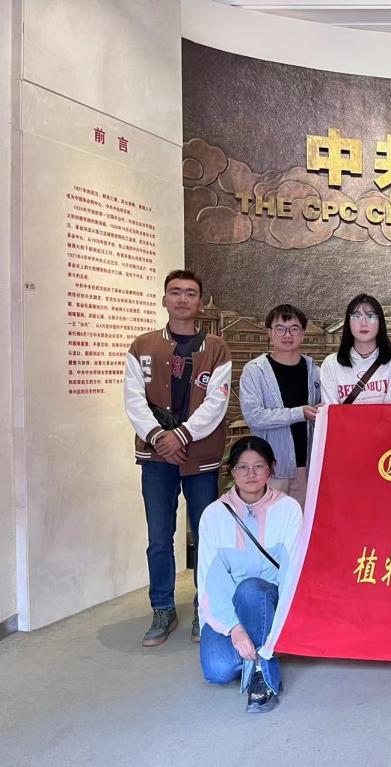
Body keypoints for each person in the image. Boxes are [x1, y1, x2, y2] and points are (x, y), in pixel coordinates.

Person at [124, 269, 231, 647]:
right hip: (156, 457)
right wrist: (159, 438)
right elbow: (133, 399)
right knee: (159, 536)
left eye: (190, 293)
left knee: (206, 535)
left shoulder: (216, 348)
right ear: (164, 299)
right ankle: (162, 608)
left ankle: (206, 607)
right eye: (175, 292)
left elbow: (216, 402)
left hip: (201, 455)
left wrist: (181, 435)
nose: (182, 299)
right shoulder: (142, 346)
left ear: (199, 302)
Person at [197, 436, 301, 714]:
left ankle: (263, 674)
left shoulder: (288, 509)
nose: (251, 474)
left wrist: (281, 624)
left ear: (271, 468)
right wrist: (234, 628)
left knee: (252, 589)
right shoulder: (214, 515)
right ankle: (259, 644)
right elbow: (209, 580)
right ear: (232, 471)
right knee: (217, 671)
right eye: (242, 467)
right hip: (230, 608)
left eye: (259, 466)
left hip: (270, 602)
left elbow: (291, 573)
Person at [239, 304, 321, 508]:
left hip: (308, 467)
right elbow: (254, 416)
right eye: (280, 329)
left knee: (303, 523)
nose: (287, 335)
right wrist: (299, 413)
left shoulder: (315, 371)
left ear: (303, 333)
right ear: (269, 332)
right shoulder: (254, 371)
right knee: (268, 522)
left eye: (294, 329)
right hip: (271, 467)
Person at [320, 294, 391, 405]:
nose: (363, 323)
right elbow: (332, 411)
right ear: (348, 322)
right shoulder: (331, 364)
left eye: (370, 316)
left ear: (380, 322)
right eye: (357, 316)